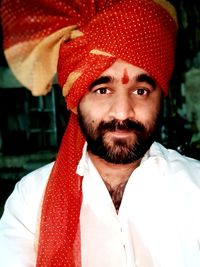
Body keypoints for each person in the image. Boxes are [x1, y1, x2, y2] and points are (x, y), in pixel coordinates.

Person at [0, 0, 200, 266]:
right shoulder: (31, 200)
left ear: (161, 98)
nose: (122, 112)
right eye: (102, 90)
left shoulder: (195, 187)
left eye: (141, 91)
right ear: (76, 100)